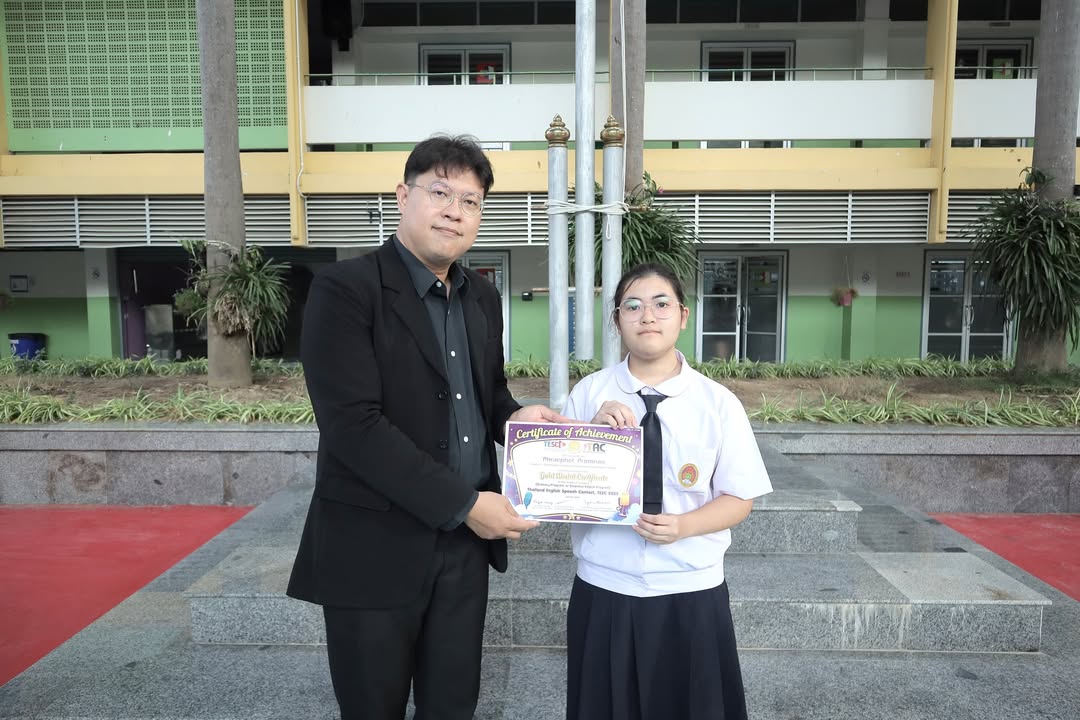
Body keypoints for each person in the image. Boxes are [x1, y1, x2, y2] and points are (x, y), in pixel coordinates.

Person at [287, 135, 570, 720]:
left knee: (452, 705)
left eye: (470, 201)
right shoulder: (346, 289)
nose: (454, 211)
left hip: (463, 550)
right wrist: (466, 504)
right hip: (373, 547)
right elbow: (353, 426)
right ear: (403, 196)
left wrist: (515, 417)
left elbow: (486, 391)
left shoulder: (481, 296)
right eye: (440, 193)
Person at [562, 263, 773, 720]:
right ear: (617, 320)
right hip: (606, 586)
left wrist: (684, 526)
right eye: (632, 306)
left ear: (683, 315)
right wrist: (591, 438)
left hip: (690, 589)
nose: (647, 317)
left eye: (661, 304)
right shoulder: (589, 394)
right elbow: (562, 489)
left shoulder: (718, 403)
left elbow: (740, 498)